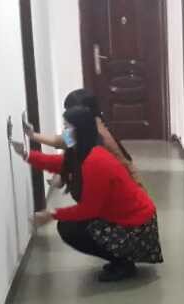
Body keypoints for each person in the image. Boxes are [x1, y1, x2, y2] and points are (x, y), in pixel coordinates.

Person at [14, 105, 162, 281]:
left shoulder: (95, 160)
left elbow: (89, 210)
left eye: (67, 127)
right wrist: (26, 155)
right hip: (122, 214)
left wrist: (52, 214)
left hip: (137, 224)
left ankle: (123, 263)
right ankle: (120, 258)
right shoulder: (82, 151)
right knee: (70, 225)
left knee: (70, 229)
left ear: (81, 129)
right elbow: (59, 163)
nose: (64, 132)